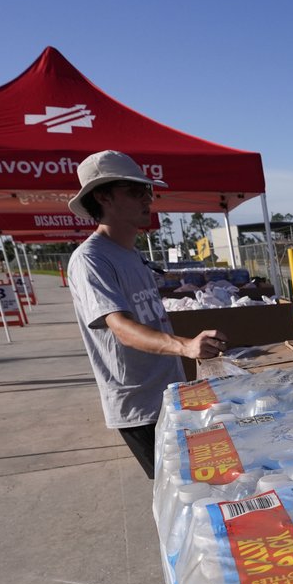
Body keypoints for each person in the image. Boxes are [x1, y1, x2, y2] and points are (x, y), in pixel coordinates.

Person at [66, 150, 227, 479]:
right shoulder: (91, 259)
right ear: (104, 196)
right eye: (136, 191)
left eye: (148, 191)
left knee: (203, 479)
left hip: (169, 393)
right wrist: (185, 346)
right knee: (181, 490)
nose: (147, 199)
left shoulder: (130, 254)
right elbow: (121, 328)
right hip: (141, 406)